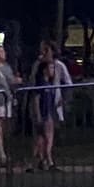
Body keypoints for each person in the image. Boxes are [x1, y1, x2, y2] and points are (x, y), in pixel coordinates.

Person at [31, 42, 71, 170]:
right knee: (43, 136)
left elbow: (67, 83)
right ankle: (43, 160)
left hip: (51, 107)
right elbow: (36, 95)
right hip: (44, 110)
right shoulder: (40, 74)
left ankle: (44, 160)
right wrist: (37, 113)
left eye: (46, 50)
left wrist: (63, 99)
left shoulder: (59, 66)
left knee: (46, 136)